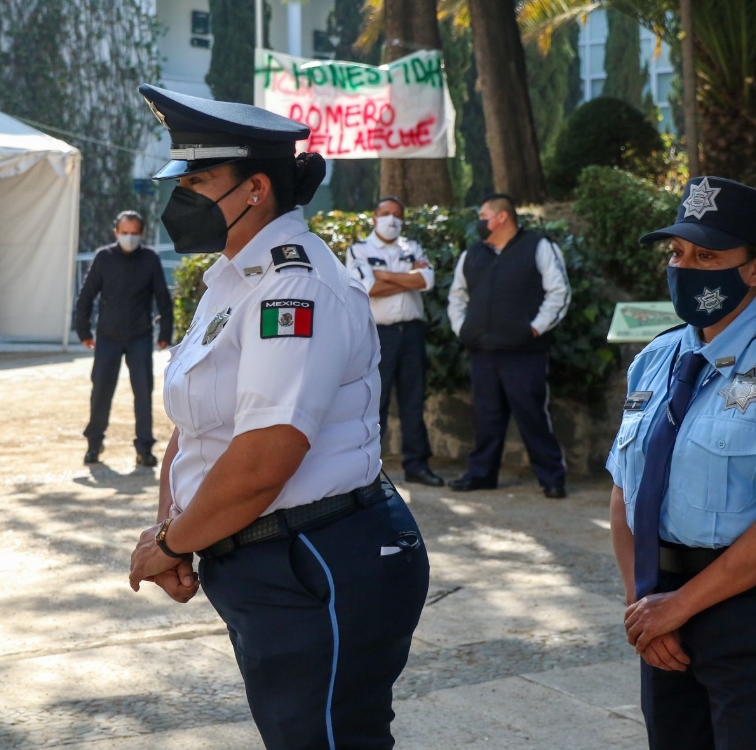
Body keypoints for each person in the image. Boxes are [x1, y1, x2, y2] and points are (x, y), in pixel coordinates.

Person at [127, 84, 429, 750]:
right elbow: (196, 424)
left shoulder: (293, 286)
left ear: (255, 189)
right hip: (263, 560)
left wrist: (174, 545)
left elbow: (265, 458)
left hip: (318, 558)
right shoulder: (233, 278)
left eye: (198, 180)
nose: (183, 198)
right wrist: (173, 524)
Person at [608, 177, 756, 749]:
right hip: (662, 599)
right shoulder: (658, 357)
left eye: (707, 255)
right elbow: (625, 491)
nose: (685, 267)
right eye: (677, 252)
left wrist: (675, 607)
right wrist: (643, 604)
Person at [447, 193, 571, 498]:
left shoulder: (539, 246)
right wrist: (463, 329)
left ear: (502, 217)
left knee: (533, 414)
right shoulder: (471, 254)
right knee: (486, 416)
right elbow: (456, 297)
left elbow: (559, 291)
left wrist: (534, 328)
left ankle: (552, 478)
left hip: (524, 352)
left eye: (484, 214)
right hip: (483, 351)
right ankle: (481, 475)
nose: (479, 220)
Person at [346, 196, 445, 487]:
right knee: (376, 401)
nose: (392, 219)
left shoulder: (412, 247)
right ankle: (367, 471)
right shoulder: (359, 249)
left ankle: (417, 465)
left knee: (413, 400)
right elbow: (368, 288)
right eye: (386, 213)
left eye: (397, 215)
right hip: (380, 335)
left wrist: (385, 275)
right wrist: (406, 276)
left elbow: (426, 281)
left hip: (412, 331)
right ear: (374, 218)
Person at [75, 210, 173, 466]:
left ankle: (144, 448)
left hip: (140, 336)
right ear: (116, 232)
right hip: (107, 337)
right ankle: (93, 445)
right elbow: (86, 297)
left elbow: (163, 298)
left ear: (141, 234)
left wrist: (165, 333)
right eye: (125, 233)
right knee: (101, 393)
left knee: (143, 393)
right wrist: (83, 331)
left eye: (134, 233)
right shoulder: (103, 258)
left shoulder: (150, 259)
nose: (129, 237)